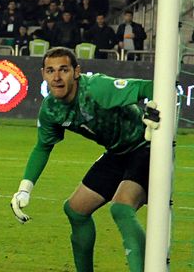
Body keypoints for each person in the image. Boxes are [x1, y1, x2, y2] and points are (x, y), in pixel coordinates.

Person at [10, 47, 158, 272]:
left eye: (64, 70)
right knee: (76, 209)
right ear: (43, 74)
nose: (57, 77)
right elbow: (43, 147)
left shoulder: (97, 88)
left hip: (146, 147)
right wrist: (24, 189)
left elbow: (148, 86)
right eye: (50, 71)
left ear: (76, 71)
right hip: (117, 153)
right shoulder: (51, 110)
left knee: (120, 208)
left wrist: (152, 110)